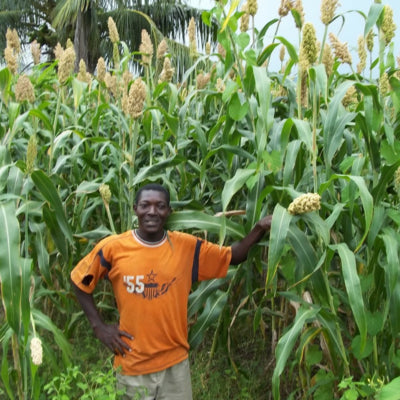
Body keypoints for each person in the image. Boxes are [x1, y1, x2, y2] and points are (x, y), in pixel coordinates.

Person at [71, 183, 272, 400]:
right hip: (132, 367)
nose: (152, 211)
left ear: (169, 211)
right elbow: (79, 281)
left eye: (160, 206)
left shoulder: (186, 248)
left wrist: (260, 227)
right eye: (145, 205)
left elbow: (233, 256)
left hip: (175, 367)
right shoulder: (113, 248)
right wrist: (98, 327)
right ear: (135, 208)